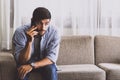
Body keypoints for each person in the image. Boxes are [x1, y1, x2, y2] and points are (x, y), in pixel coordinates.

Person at [12, 7, 60, 80]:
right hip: (26, 62)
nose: (43, 28)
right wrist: (29, 42)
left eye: (46, 23)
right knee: (22, 72)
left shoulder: (54, 32)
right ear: (33, 21)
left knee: (51, 69)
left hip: (44, 62)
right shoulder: (20, 32)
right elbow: (21, 61)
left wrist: (32, 65)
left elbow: (51, 58)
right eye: (40, 23)